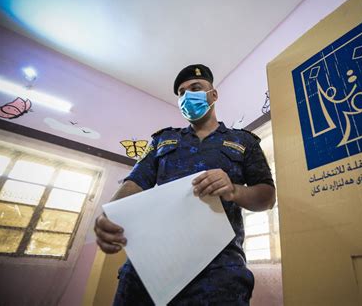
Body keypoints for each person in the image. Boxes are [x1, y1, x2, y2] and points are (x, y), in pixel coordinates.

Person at [94, 64, 276, 305]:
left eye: (195, 88)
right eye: (181, 92)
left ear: (213, 95)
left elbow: (267, 197)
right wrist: (111, 214)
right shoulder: (163, 140)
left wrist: (234, 190)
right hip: (153, 262)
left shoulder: (244, 142)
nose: (187, 96)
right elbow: (136, 182)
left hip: (219, 269)